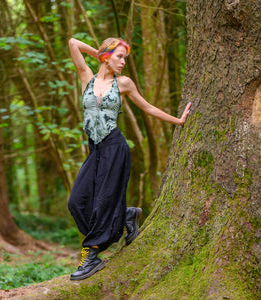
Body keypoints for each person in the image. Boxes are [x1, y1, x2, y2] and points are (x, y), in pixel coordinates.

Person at [67, 37, 191, 281]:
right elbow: (73, 43)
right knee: (76, 201)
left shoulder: (123, 83)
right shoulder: (86, 78)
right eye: (119, 56)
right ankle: (125, 215)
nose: (123, 62)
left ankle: (91, 255)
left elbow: (148, 108)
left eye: (125, 58)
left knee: (103, 201)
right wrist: (100, 55)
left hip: (114, 147)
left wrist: (179, 121)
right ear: (106, 55)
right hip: (96, 150)